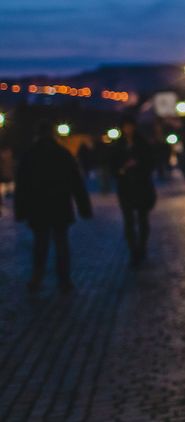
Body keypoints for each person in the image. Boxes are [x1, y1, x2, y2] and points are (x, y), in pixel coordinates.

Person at [14, 121, 93, 293]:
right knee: (61, 244)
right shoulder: (62, 154)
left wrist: (20, 211)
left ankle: (37, 278)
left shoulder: (30, 155)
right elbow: (76, 183)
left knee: (40, 244)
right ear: (53, 135)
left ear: (37, 136)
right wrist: (84, 208)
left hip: (38, 207)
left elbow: (21, 186)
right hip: (60, 205)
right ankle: (64, 281)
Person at [109, 115, 157, 265]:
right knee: (129, 221)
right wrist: (123, 169)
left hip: (141, 186)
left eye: (130, 126)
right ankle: (133, 251)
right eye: (125, 126)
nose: (128, 129)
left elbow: (151, 163)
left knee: (142, 219)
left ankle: (142, 247)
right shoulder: (117, 146)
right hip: (126, 188)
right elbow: (112, 168)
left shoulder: (143, 144)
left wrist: (138, 164)